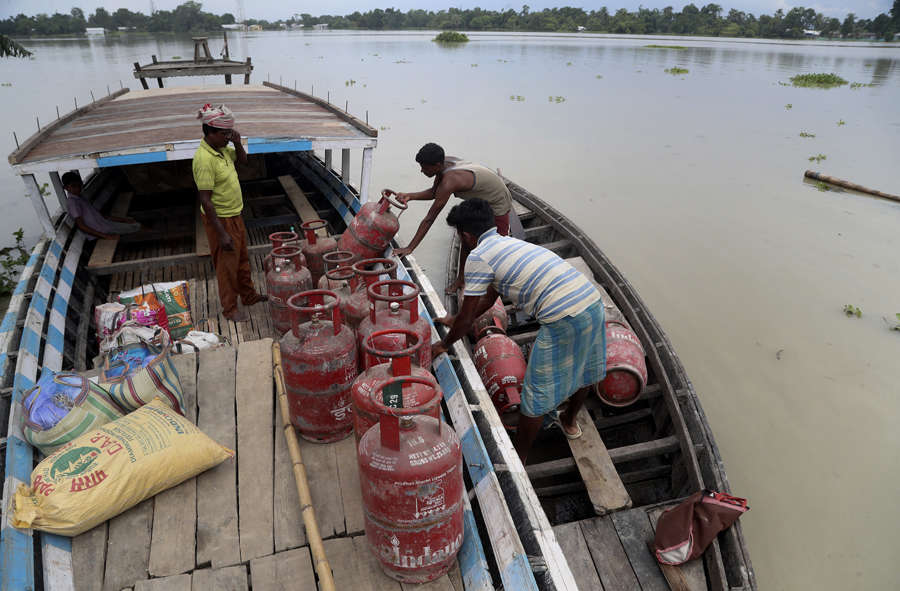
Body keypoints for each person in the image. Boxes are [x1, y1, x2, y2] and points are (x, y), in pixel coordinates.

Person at [431, 198, 606, 463]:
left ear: (465, 235)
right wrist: (455, 319)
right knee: (584, 367)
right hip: (591, 302)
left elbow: (468, 318)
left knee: (534, 395)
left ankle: (520, 458)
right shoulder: (508, 243)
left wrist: (444, 344)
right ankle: (569, 422)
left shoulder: (478, 257)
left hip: (563, 318)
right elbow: (488, 300)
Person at [384, 142, 513, 294]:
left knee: (496, 251)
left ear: (437, 164)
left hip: (497, 203)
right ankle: (461, 280)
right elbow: (434, 192)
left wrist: (410, 247)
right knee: (466, 240)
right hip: (480, 201)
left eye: (424, 167)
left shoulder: (450, 180)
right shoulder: (445, 165)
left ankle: (496, 288)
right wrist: (410, 196)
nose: (421, 170)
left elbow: (430, 218)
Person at [192, 103, 267, 323]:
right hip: (221, 220)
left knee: (242, 259)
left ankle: (249, 296)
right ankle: (230, 308)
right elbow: (205, 200)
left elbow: (243, 161)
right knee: (227, 266)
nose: (227, 136)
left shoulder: (223, 148)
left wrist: (236, 142)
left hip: (235, 215)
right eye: (224, 133)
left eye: (229, 133)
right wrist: (221, 233)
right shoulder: (204, 159)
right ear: (210, 132)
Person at [62, 171, 141, 240]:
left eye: (79, 185)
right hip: (102, 231)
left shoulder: (80, 198)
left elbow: (102, 216)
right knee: (137, 226)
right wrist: (106, 236)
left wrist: (124, 220)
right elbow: (81, 226)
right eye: (73, 186)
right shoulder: (73, 203)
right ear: (66, 188)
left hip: (105, 225)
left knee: (132, 221)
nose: (78, 188)